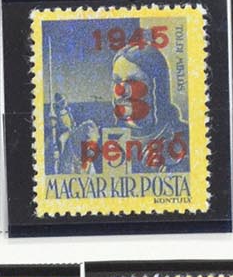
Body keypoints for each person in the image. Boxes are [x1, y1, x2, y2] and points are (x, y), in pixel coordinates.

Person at [45, 38, 187, 178]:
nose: (121, 91)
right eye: (117, 81)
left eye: (133, 81)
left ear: (158, 87)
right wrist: (72, 150)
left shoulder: (184, 139)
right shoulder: (97, 141)